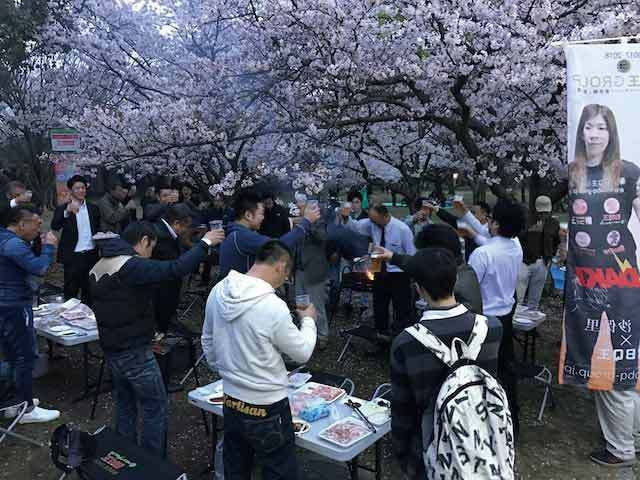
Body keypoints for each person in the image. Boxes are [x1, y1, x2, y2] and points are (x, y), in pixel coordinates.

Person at [89, 221, 224, 457]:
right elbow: (175, 269)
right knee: (154, 406)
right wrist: (205, 242)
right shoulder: (130, 265)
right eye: (151, 247)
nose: (151, 253)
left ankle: (125, 455)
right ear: (144, 241)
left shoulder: (100, 264)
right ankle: (152, 463)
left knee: (125, 404)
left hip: (112, 349)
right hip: (134, 351)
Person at [202, 241, 317, 480]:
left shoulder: (219, 290)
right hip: (267, 405)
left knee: (236, 468)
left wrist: (227, 372)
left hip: (231, 400)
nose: (285, 281)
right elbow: (302, 352)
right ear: (280, 267)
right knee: (279, 471)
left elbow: (208, 341)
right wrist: (308, 320)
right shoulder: (272, 305)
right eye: (287, 276)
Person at [565, 104, 640, 467]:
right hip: (583, 280)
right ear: (581, 131)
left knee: (616, 364)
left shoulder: (628, 171)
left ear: (611, 134)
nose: (594, 134)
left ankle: (622, 448)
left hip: (622, 278)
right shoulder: (573, 173)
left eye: (601, 128)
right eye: (588, 127)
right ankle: (631, 438)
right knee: (616, 363)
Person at [390, 248, 502, 480]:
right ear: (455, 280)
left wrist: (404, 457)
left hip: (430, 452)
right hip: (484, 441)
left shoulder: (406, 342)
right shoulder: (492, 328)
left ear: (418, 289)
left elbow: (402, 411)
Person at [468, 200, 525, 434]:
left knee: (479, 371)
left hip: (484, 317)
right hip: (506, 316)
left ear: (496, 224)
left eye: (490, 220)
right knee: (506, 368)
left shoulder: (482, 254)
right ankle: (512, 421)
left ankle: (482, 423)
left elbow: (469, 289)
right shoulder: (516, 247)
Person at [0, 206, 60, 423]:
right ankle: (26, 409)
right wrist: (49, 247)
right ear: (21, 224)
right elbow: (40, 268)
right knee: (25, 357)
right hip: (14, 305)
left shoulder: (4, 238)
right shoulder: (14, 245)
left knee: (11, 355)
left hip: (5, 304)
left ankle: (12, 401)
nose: (39, 228)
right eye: (36, 223)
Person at [341, 203, 416, 336]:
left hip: (398, 275)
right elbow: (355, 226)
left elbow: (411, 254)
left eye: (375, 220)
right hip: (379, 272)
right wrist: (346, 217)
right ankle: (381, 336)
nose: (372, 223)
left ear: (385, 216)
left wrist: (412, 276)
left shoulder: (402, 229)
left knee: (401, 309)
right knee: (379, 307)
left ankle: (400, 337)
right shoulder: (372, 224)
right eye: (371, 219)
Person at [377, 223, 483, 314]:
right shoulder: (449, 268)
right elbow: (416, 263)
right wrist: (392, 257)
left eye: (423, 254)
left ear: (437, 254)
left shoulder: (456, 286)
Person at [218, 189, 320, 279]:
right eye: (261, 213)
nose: (263, 218)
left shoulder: (235, 233)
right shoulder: (242, 236)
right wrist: (306, 222)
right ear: (248, 215)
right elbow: (279, 246)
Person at [51, 175, 101, 304]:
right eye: (77, 188)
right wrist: (67, 212)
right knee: (71, 291)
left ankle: (89, 313)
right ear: (71, 190)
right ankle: (69, 314)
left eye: (83, 188)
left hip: (91, 254)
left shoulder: (93, 208)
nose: (81, 190)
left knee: (89, 290)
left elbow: (97, 228)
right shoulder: (63, 208)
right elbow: (55, 226)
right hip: (73, 256)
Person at [152, 203, 194, 335]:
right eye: (186, 226)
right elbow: (176, 265)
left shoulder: (164, 229)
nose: (186, 231)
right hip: (162, 290)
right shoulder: (162, 237)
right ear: (176, 223)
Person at [294, 202, 329, 349]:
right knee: (301, 303)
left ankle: (322, 336)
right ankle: (306, 333)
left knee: (317, 304)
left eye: (302, 206)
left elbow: (322, 237)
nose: (299, 208)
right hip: (299, 269)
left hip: (314, 271)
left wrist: (309, 224)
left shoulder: (319, 223)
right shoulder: (298, 223)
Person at [516, 195, 560, 312]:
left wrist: (550, 256)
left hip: (543, 262)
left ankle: (531, 320)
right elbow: (518, 239)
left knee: (535, 297)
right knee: (518, 296)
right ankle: (515, 319)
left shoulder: (554, 223)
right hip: (524, 262)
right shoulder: (526, 221)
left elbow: (556, 241)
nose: (543, 215)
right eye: (541, 212)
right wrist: (532, 231)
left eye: (546, 212)